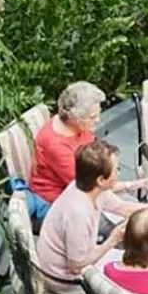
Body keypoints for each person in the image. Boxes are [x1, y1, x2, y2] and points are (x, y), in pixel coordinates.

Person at [36, 140, 148, 290]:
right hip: (65, 279)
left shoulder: (87, 187)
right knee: (141, 272)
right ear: (101, 180)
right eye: (116, 169)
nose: (118, 173)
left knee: (136, 264)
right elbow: (76, 267)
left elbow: (123, 208)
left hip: (79, 259)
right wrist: (113, 240)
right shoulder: (79, 213)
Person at [24, 82, 106, 220]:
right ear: (74, 117)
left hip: (82, 186)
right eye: (92, 117)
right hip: (58, 203)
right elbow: (85, 184)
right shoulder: (56, 146)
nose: (98, 120)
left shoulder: (75, 126)